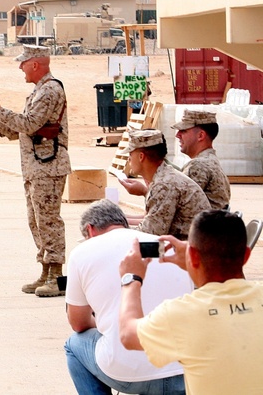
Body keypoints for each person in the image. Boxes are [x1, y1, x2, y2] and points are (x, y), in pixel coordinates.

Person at [119, 209, 263, 394]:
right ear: (246, 256)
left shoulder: (180, 314)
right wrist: (195, 261)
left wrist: (131, 278)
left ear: (193, 255)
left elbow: (127, 335)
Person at [64, 199, 190, 395]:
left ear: (90, 230)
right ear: (123, 223)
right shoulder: (162, 246)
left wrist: (108, 324)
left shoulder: (81, 252)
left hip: (126, 375)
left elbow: (78, 323)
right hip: (183, 375)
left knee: (74, 343)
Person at [0, 44, 70, 297]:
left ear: (35, 64)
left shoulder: (50, 90)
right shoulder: (39, 91)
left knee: (49, 220)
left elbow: (29, 123)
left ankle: (58, 276)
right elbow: (26, 129)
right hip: (36, 166)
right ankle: (46, 270)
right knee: (36, 220)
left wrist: (0, 111)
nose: (20, 67)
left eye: (23, 63)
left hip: (48, 165)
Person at [119, 130, 209, 241]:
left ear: (141, 157)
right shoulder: (165, 177)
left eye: (130, 154)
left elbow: (149, 235)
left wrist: (113, 232)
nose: (129, 160)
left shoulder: (164, 185)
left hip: (194, 250)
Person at [172, 110, 230, 211]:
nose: (178, 135)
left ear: (200, 136)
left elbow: (173, 206)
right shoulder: (209, 160)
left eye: (184, 131)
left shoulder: (198, 166)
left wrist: (146, 191)